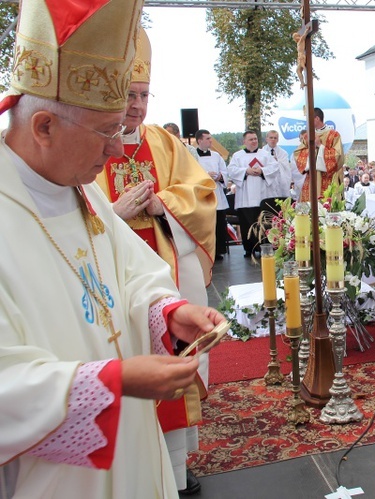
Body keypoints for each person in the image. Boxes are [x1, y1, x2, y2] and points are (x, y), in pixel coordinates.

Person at [0, 1, 225, 497]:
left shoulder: (74, 185)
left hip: (131, 455)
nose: (119, 150)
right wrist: (112, 382)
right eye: (106, 131)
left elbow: (130, 272)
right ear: (43, 127)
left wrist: (167, 311)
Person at [96, 28, 217, 496]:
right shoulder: (94, 143)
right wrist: (116, 212)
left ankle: (176, 466)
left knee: (173, 373)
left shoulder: (164, 144)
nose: (137, 105)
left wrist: (161, 204)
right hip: (113, 284)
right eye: (129, 94)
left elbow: (201, 193)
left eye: (144, 95)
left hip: (166, 277)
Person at [227, 130, 280, 258]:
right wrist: (246, 171)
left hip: (262, 195)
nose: (254, 141)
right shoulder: (237, 156)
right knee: (247, 224)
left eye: (255, 139)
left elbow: (275, 167)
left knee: (263, 224)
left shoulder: (265, 154)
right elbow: (231, 170)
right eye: (251, 139)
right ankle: (249, 249)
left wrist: (262, 170)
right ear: (244, 141)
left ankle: (264, 248)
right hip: (246, 197)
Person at [294, 107, 344, 202]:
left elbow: (338, 156)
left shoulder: (334, 135)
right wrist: (311, 149)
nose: (307, 122)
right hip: (311, 179)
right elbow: (298, 154)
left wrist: (319, 146)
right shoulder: (307, 136)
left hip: (328, 179)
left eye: (309, 119)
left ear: (317, 118)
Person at [195, 129, 230, 262]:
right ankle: (205, 251)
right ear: (200, 141)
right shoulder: (193, 157)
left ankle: (219, 251)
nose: (211, 140)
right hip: (203, 195)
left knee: (219, 224)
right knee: (205, 226)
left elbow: (225, 172)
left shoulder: (216, 156)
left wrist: (220, 176)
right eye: (208, 138)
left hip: (217, 194)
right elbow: (191, 173)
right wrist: (205, 176)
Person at [262, 129, 292, 199]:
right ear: (267, 139)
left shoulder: (283, 153)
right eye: (271, 138)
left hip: (280, 182)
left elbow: (286, 168)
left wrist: (277, 162)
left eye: (275, 138)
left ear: (278, 140)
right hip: (267, 184)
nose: (273, 140)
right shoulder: (262, 152)